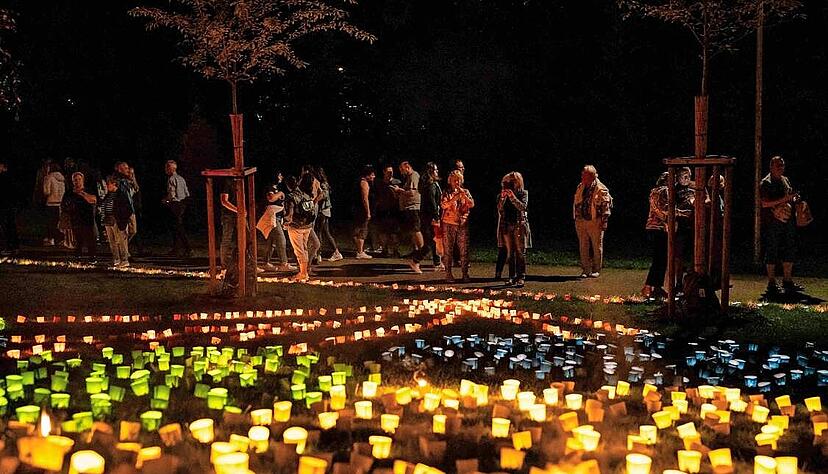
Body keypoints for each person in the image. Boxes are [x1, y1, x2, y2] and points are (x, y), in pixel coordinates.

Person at [760, 156, 802, 295]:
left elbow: (790, 195)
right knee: (772, 249)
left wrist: (795, 199)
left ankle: (787, 280)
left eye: (782, 165)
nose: (781, 168)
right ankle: (772, 282)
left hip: (787, 220)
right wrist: (783, 200)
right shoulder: (766, 183)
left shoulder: (785, 179)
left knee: (789, 248)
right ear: (771, 167)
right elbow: (764, 203)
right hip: (773, 221)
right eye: (778, 165)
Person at [573, 165, 612, 278]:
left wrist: (604, 221)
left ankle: (596, 269)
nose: (581, 176)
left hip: (595, 221)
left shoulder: (601, 188)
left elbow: (606, 207)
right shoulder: (581, 186)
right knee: (583, 245)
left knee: (596, 246)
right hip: (581, 220)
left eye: (584, 174)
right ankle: (585, 269)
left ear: (591, 176)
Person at [392, 161, 426, 273]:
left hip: (413, 208)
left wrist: (399, 190)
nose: (401, 172)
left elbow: (412, 192)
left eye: (402, 170)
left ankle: (421, 251)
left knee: (416, 229)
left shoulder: (414, 176)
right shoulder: (408, 178)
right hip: (407, 208)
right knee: (412, 230)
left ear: (407, 167)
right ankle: (416, 250)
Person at [285, 175, 320, 281]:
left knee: (299, 251)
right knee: (304, 249)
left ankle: (303, 273)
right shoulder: (307, 194)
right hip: (308, 226)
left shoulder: (292, 196)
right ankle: (304, 272)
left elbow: (290, 214)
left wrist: (286, 220)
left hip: (297, 227)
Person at [441, 170, 474, 282]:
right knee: (448, 250)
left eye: (459, 180)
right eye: (455, 180)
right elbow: (444, 205)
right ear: (450, 181)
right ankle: (448, 274)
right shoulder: (446, 192)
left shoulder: (465, 191)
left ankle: (465, 273)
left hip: (462, 224)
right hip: (449, 223)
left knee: (464, 250)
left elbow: (471, 204)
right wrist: (454, 198)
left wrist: (464, 195)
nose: (457, 182)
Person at [498, 172, 530, 287]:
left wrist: (512, 197)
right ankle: (511, 276)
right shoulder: (504, 193)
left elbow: (523, 207)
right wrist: (502, 198)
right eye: (508, 182)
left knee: (520, 252)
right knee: (510, 253)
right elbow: (499, 208)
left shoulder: (523, 193)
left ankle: (521, 276)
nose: (510, 184)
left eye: (513, 181)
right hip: (507, 224)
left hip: (519, 224)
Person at [642, 172, 670, 299]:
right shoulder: (665, 191)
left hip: (651, 227)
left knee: (659, 259)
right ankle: (649, 286)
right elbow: (664, 210)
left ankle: (656, 287)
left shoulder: (654, 191)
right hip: (659, 227)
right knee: (660, 259)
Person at [257, 181, 295, 272]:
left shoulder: (278, 188)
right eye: (279, 175)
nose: (281, 177)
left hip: (278, 217)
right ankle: (284, 263)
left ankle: (265, 262)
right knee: (281, 239)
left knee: (271, 241)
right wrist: (280, 193)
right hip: (271, 217)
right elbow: (271, 198)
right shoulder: (270, 188)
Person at [61, 172, 97, 260]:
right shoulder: (69, 193)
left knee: (90, 239)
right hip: (75, 219)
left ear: (83, 180)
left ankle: (92, 257)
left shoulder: (88, 190)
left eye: (79, 179)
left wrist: (82, 193)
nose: (77, 182)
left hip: (88, 218)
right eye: (75, 180)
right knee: (77, 240)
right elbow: (64, 205)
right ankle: (78, 256)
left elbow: (93, 200)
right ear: (72, 181)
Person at [101, 175, 133, 267]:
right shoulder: (108, 195)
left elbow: (128, 209)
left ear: (114, 184)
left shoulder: (121, 194)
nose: (107, 186)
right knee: (112, 241)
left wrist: (122, 219)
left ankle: (124, 259)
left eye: (108, 184)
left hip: (117, 220)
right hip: (108, 220)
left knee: (120, 241)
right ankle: (116, 259)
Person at [314, 167, 343, 262]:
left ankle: (319, 254)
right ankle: (335, 252)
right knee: (325, 232)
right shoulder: (325, 183)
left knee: (319, 232)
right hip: (326, 210)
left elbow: (324, 195)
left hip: (323, 210)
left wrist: (315, 201)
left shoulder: (322, 184)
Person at [163, 160, 191, 257]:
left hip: (175, 204)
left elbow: (172, 195)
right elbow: (187, 193)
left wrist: (166, 201)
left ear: (170, 169)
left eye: (166, 167)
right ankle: (176, 249)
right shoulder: (181, 178)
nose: (165, 169)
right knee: (177, 227)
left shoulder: (171, 179)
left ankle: (187, 248)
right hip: (183, 203)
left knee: (178, 227)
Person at [419, 162, 443, 270]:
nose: (437, 172)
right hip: (430, 216)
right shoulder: (431, 186)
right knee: (431, 240)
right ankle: (416, 260)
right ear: (430, 171)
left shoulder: (433, 184)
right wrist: (436, 216)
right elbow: (432, 202)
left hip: (430, 215)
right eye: (435, 170)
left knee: (435, 239)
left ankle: (437, 261)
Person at [372, 165, 401, 257]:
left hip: (393, 209)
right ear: (384, 172)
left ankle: (395, 250)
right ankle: (384, 249)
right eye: (388, 171)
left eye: (391, 171)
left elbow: (399, 195)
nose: (390, 173)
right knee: (382, 231)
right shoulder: (379, 183)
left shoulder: (396, 182)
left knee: (394, 232)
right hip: (382, 209)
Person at [674, 167, 695, 290]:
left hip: (694, 224)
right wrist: (681, 212)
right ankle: (678, 282)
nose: (687, 179)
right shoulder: (674, 189)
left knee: (695, 253)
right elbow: (670, 205)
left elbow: (706, 198)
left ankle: (693, 280)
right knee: (678, 255)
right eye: (684, 176)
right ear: (678, 177)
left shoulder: (694, 186)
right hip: (680, 225)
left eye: (689, 176)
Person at [353, 165, 375, 259]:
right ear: (368, 175)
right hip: (362, 209)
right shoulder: (364, 183)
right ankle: (360, 251)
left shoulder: (358, 181)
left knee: (358, 229)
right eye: (372, 175)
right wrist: (368, 211)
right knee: (363, 230)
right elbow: (365, 198)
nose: (374, 177)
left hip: (356, 208)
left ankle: (359, 250)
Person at [42, 162, 66, 247]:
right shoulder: (62, 178)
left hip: (51, 202)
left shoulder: (48, 177)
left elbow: (46, 191)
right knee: (58, 222)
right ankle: (61, 239)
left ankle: (51, 239)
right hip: (60, 202)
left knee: (50, 222)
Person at [0, 160, 20, 254]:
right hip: (11, 205)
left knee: (6, 226)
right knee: (11, 226)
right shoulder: (12, 178)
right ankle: (14, 247)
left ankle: (7, 247)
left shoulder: (4, 178)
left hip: (4, 205)